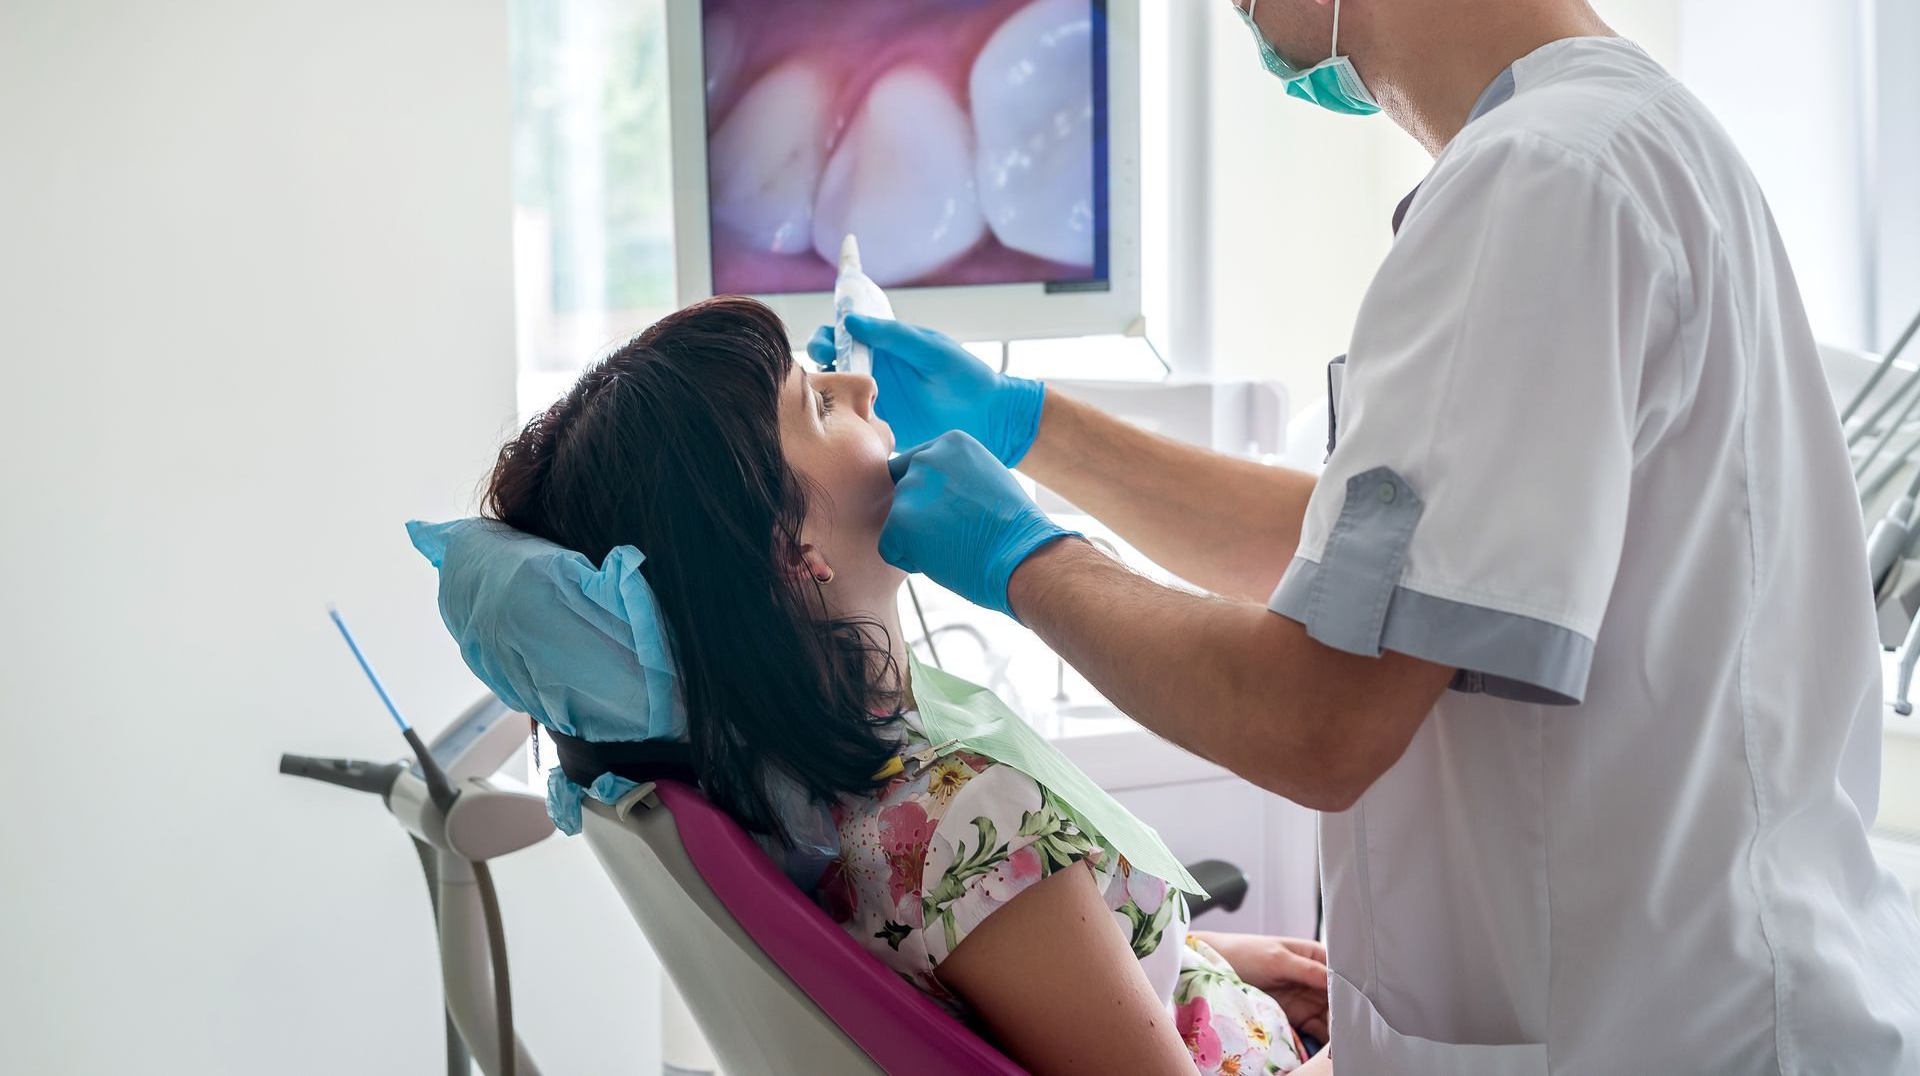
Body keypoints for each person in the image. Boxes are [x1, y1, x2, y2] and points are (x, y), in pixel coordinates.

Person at [819, 0, 1920, 1071]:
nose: (1238, 11)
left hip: (1651, 1025)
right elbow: (1391, 569)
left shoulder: (1537, 189)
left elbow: (1320, 721)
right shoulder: (1634, 139)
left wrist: (1023, 560)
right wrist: (1031, 424)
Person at [481, 296, 1333, 1076]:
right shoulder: (965, 817)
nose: (858, 382)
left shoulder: (815, 795)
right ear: (791, 548)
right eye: (816, 401)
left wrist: (1195, 961)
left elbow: (1011, 977)